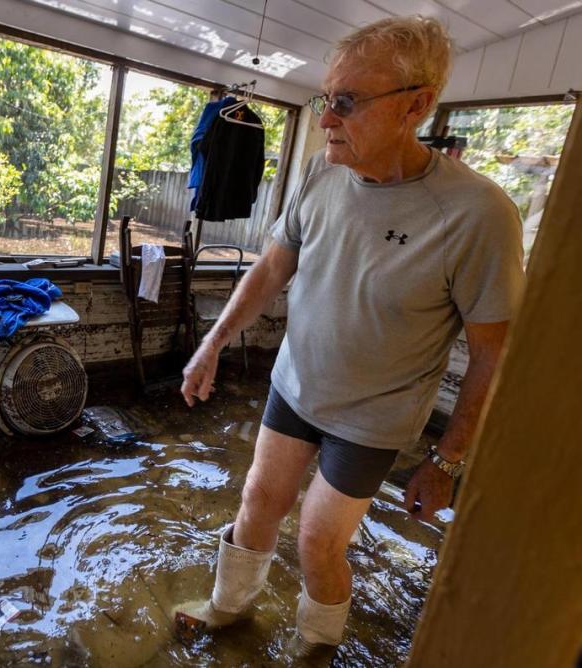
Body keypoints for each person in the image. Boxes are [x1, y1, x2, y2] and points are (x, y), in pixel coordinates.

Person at [174, 15, 526, 656]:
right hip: (296, 383)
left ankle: (314, 645)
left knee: (317, 541)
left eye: (346, 102)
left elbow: (493, 354)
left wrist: (446, 460)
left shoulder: (479, 215)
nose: (327, 118)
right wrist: (213, 342)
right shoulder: (319, 172)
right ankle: (227, 610)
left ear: (416, 105)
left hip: (373, 417)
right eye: (323, 98)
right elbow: (273, 266)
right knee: (256, 501)